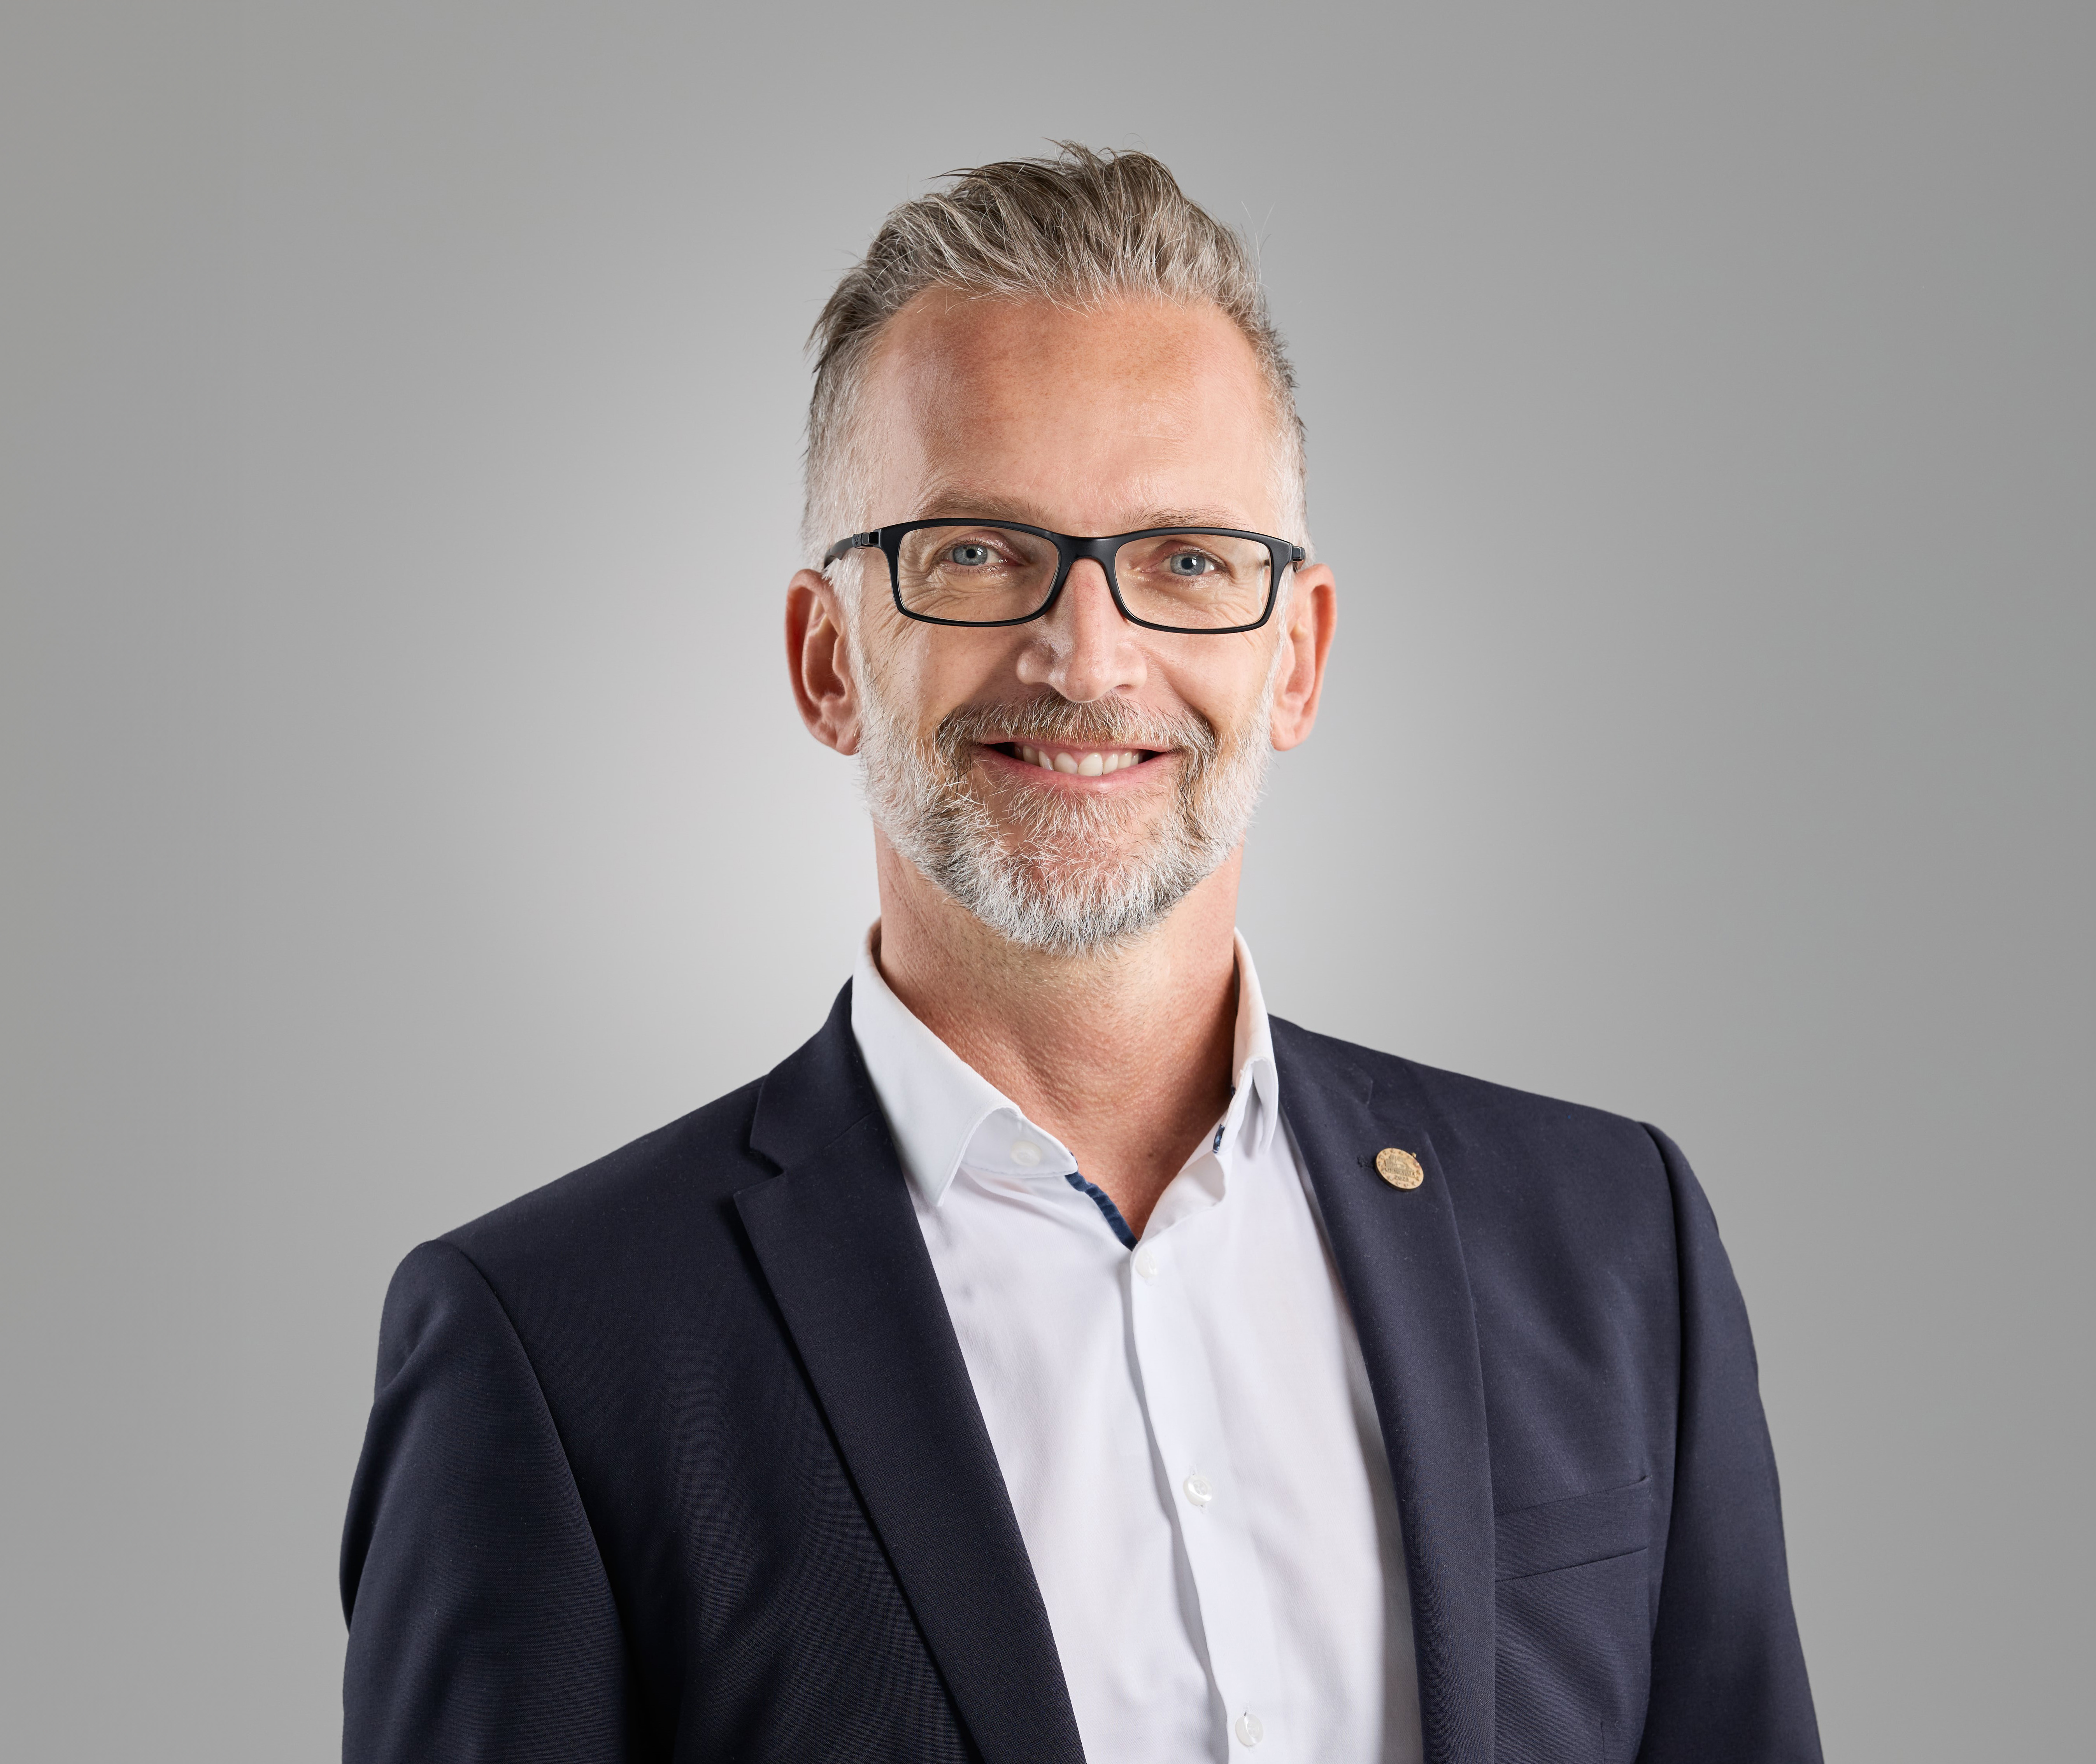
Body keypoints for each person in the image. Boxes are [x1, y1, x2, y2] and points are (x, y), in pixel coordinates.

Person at [340, 144, 1821, 1764]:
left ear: (1298, 657)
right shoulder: (553, 1347)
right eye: (978, 552)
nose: (1087, 656)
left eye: (1187, 561)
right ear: (827, 660)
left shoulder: (1609, 1244)